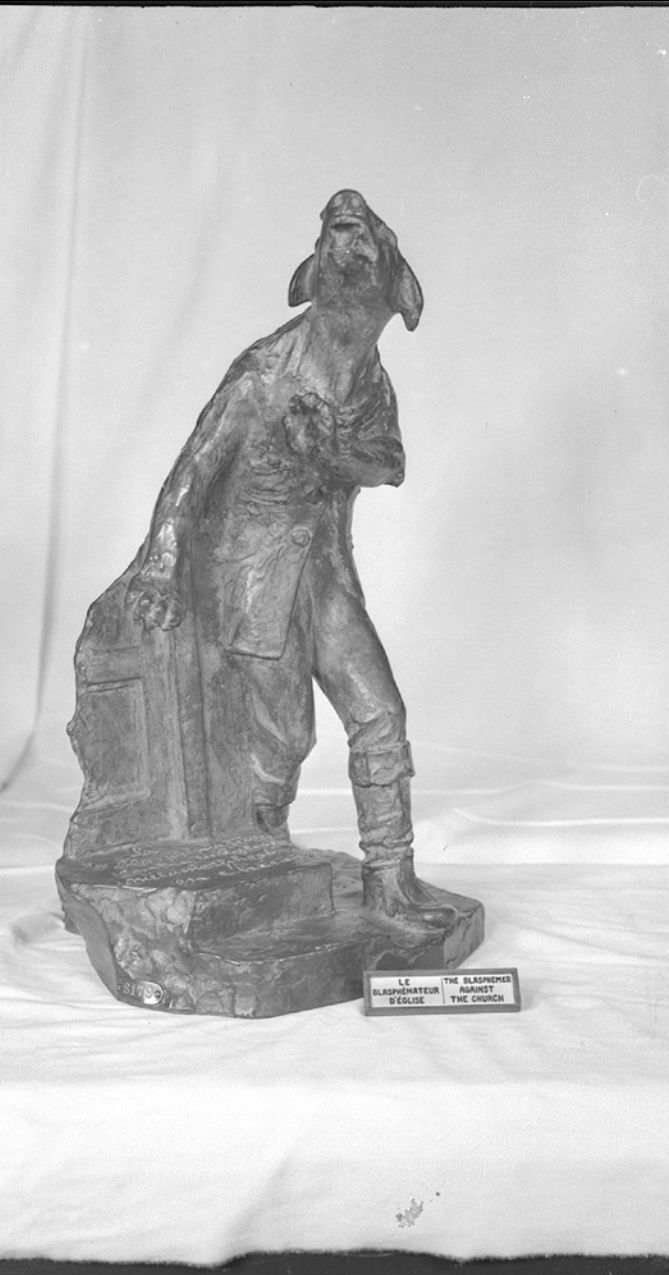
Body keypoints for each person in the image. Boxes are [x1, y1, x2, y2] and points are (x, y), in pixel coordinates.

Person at [126, 191, 453, 922]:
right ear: (315, 286)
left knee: (381, 713)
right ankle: (261, 854)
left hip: (326, 575)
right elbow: (192, 471)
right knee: (287, 735)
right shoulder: (264, 374)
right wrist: (161, 562)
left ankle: (390, 881)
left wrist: (331, 449)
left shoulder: (371, 383)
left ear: (391, 300)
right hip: (255, 575)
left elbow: (390, 462)